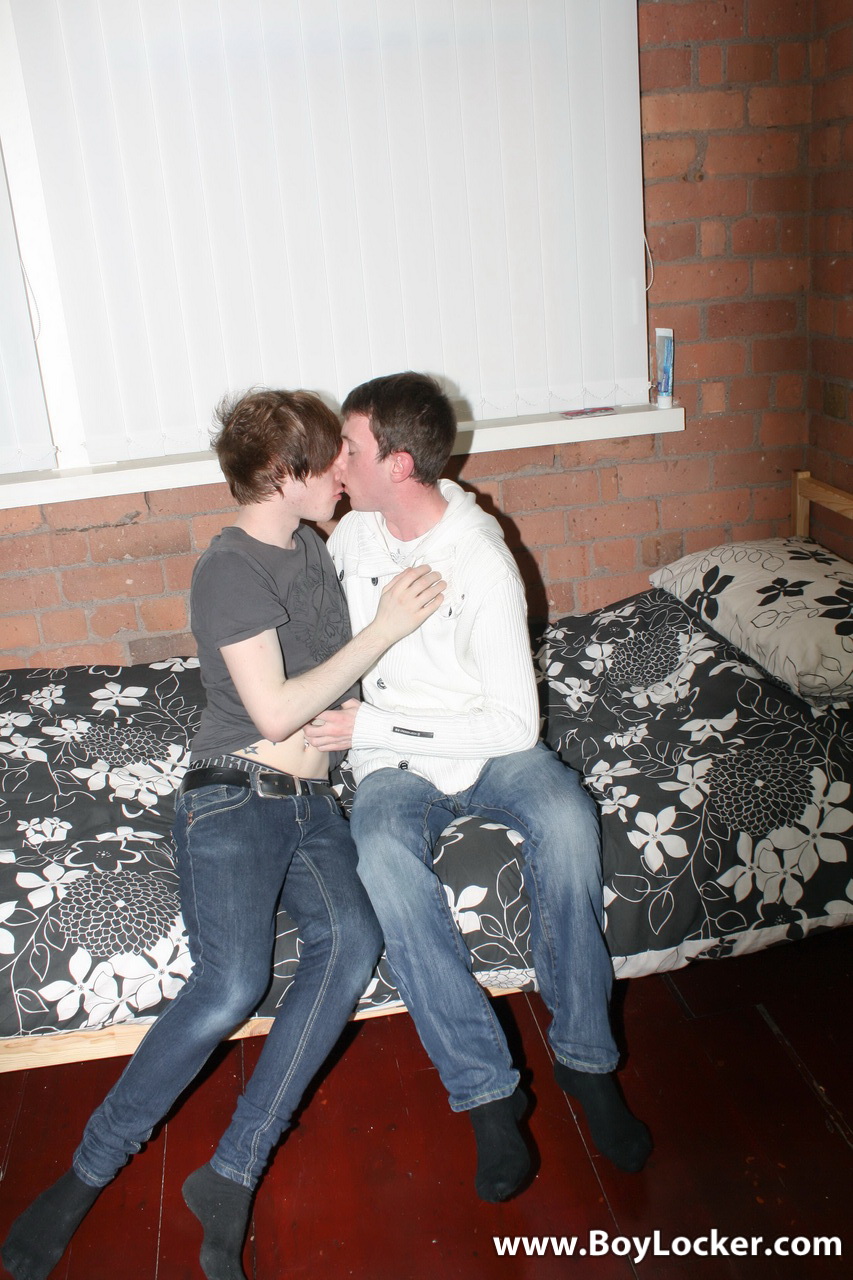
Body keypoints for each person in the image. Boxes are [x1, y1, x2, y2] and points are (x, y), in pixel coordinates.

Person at [1, 389, 444, 1280]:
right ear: (283, 475)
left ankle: (231, 1172)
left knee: (351, 943)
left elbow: (337, 662)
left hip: (314, 805)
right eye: (329, 460)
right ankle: (84, 1175)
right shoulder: (229, 567)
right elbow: (273, 711)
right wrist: (385, 631)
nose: (343, 472)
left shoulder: (312, 547)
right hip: (234, 794)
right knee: (233, 980)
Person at [304, 372, 652, 1202]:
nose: (336, 462)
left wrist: (374, 725)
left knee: (566, 820)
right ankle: (487, 1093)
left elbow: (513, 728)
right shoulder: (352, 537)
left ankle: (586, 1061)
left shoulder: (480, 560)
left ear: (397, 463)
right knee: (380, 856)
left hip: (482, 743)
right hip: (394, 764)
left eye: (349, 448)